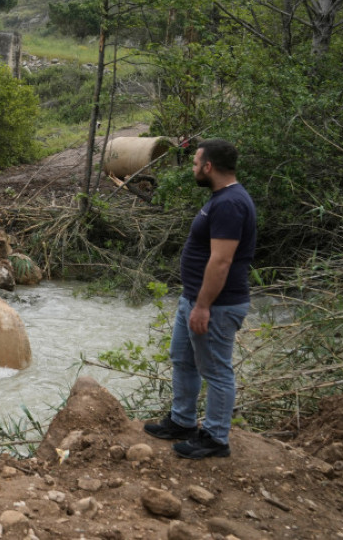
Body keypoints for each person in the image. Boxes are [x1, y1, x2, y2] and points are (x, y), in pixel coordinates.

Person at [143, 139, 256, 460]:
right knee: (182, 358)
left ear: (208, 167)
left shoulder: (230, 204)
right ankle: (182, 421)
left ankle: (216, 438)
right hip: (195, 298)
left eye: (195, 163)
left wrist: (203, 306)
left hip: (216, 305)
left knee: (217, 371)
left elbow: (221, 261)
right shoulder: (221, 199)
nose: (192, 168)